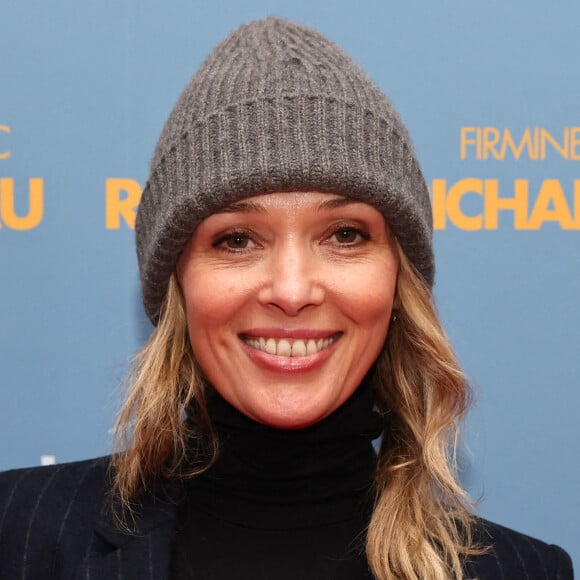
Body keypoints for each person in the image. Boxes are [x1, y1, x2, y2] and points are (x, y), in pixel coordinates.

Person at [0, 17, 573, 580]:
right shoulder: (16, 529)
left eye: (345, 235)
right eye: (236, 239)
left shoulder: (525, 570)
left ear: (400, 282)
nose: (293, 291)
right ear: (177, 284)